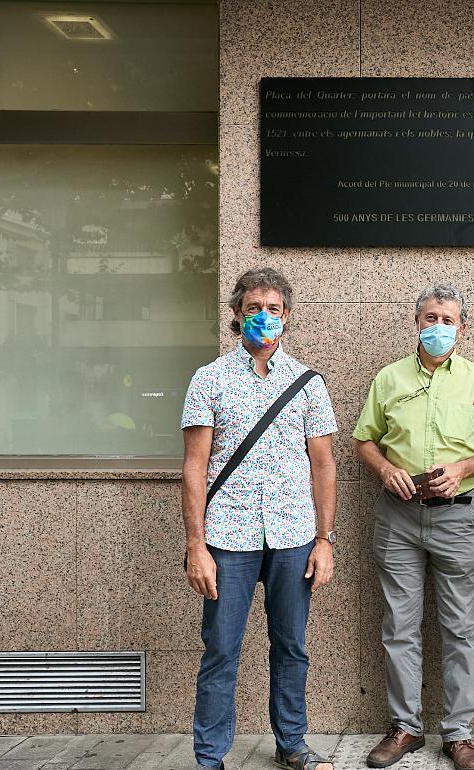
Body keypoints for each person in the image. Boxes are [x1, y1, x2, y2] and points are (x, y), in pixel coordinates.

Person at [181, 267, 339, 770]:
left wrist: (324, 539)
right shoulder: (209, 379)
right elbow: (194, 466)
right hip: (228, 535)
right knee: (222, 649)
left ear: (287, 316)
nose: (263, 318)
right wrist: (196, 545)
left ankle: (292, 744)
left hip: (293, 536)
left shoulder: (308, 383)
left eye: (273, 309)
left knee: (291, 647)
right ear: (236, 315)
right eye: (253, 308)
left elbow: (323, 465)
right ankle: (209, 757)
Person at [353, 283, 474, 770]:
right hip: (397, 517)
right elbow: (364, 441)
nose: (438, 327)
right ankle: (405, 728)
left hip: (456, 518)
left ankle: (458, 734)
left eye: (448, 319)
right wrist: (385, 469)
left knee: (459, 628)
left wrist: (463, 469)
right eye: (430, 318)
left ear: (463, 327)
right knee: (399, 626)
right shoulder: (389, 379)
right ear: (415, 323)